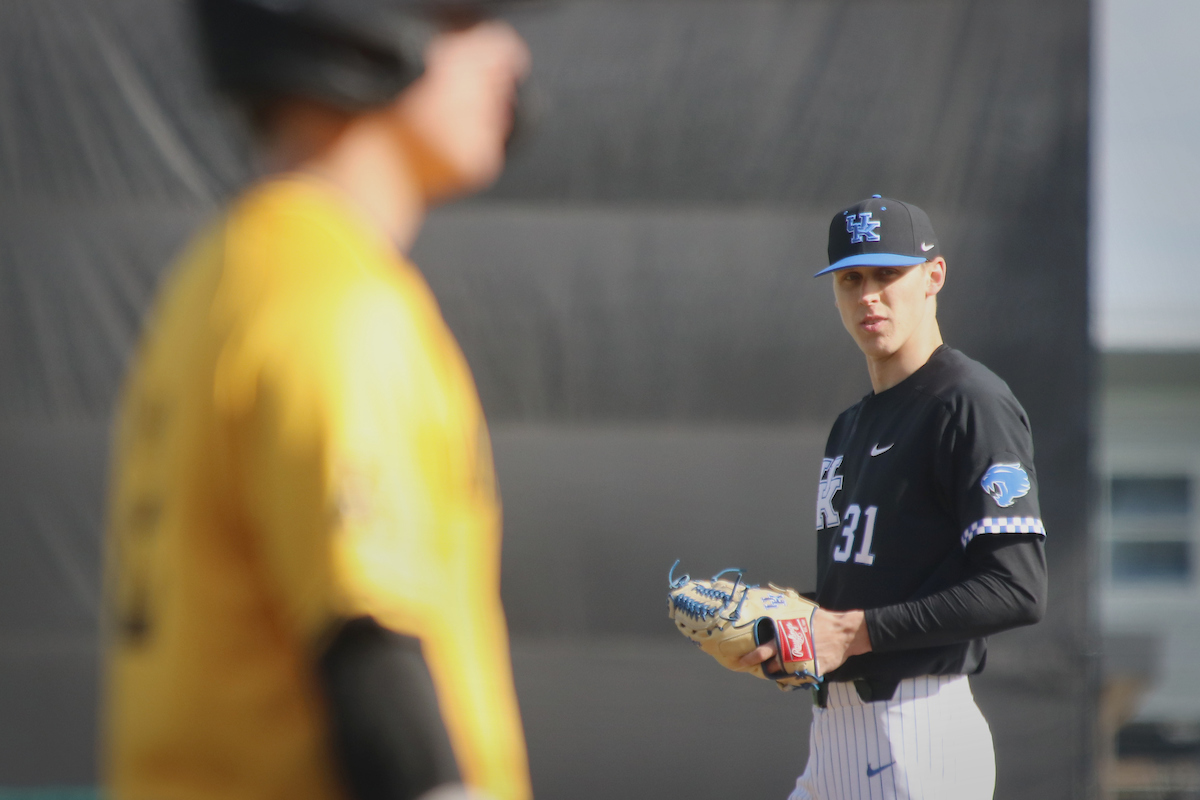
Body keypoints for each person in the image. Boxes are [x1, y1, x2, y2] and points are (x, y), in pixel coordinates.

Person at [102, 2, 532, 799]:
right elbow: (368, 649)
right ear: (353, 28)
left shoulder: (218, 279)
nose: (507, 53)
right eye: (462, 20)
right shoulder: (336, 306)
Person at [742, 195, 1047, 799]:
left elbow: (1017, 587)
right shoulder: (851, 426)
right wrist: (791, 621)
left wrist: (854, 632)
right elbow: (864, 592)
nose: (868, 295)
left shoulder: (968, 402)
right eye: (851, 278)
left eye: (888, 274)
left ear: (933, 276)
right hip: (834, 732)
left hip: (917, 732)